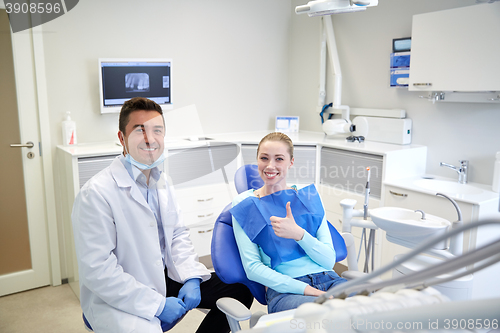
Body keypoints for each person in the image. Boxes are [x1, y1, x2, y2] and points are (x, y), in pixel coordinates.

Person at [72, 97, 252, 333]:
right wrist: (156, 305)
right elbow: (98, 272)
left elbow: (177, 235)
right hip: (119, 295)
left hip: (164, 276)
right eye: (140, 130)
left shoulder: (162, 181)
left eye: (157, 130)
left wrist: (191, 278)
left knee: (240, 290)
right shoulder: (96, 194)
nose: (150, 139)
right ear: (121, 138)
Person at [230, 132, 347, 314]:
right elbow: (253, 268)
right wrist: (308, 291)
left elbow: (328, 260)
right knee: (324, 313)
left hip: (330, 280)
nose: (270, 166)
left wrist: (299, 234)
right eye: (264, 158)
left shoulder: (307, 197)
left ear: (291, 162)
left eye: (279, 159)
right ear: (257, 160)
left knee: (370, 304)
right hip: (286, 290)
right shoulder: (245, 204)